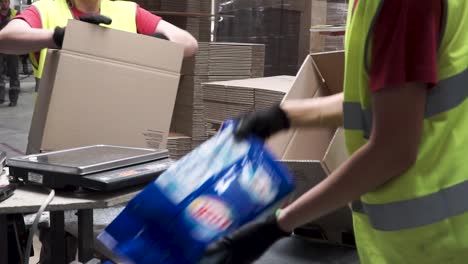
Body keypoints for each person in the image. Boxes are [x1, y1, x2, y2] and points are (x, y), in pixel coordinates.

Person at [201, 1, 468, 263]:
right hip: (417, 232)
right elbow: (384, 99)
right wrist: (283, 117)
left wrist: (277, 225)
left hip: (433, 240)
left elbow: (392, 151)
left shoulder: (401, 6)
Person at [0, 0, 198, 94]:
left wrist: (155, 44)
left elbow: (189, 43)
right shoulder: (46, 9)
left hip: (118, 127)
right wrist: (59, 36)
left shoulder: (127, 10)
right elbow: (6, 39)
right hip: (57, 137)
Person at [0, 0, 20, 106]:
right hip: (1, 47)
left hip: (13, 48)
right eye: (2, 2)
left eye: (6, 2)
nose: (4, 4)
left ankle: (13, 99)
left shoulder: (15, 14)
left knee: (14, 73)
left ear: (9, 2)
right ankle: (0, 98)